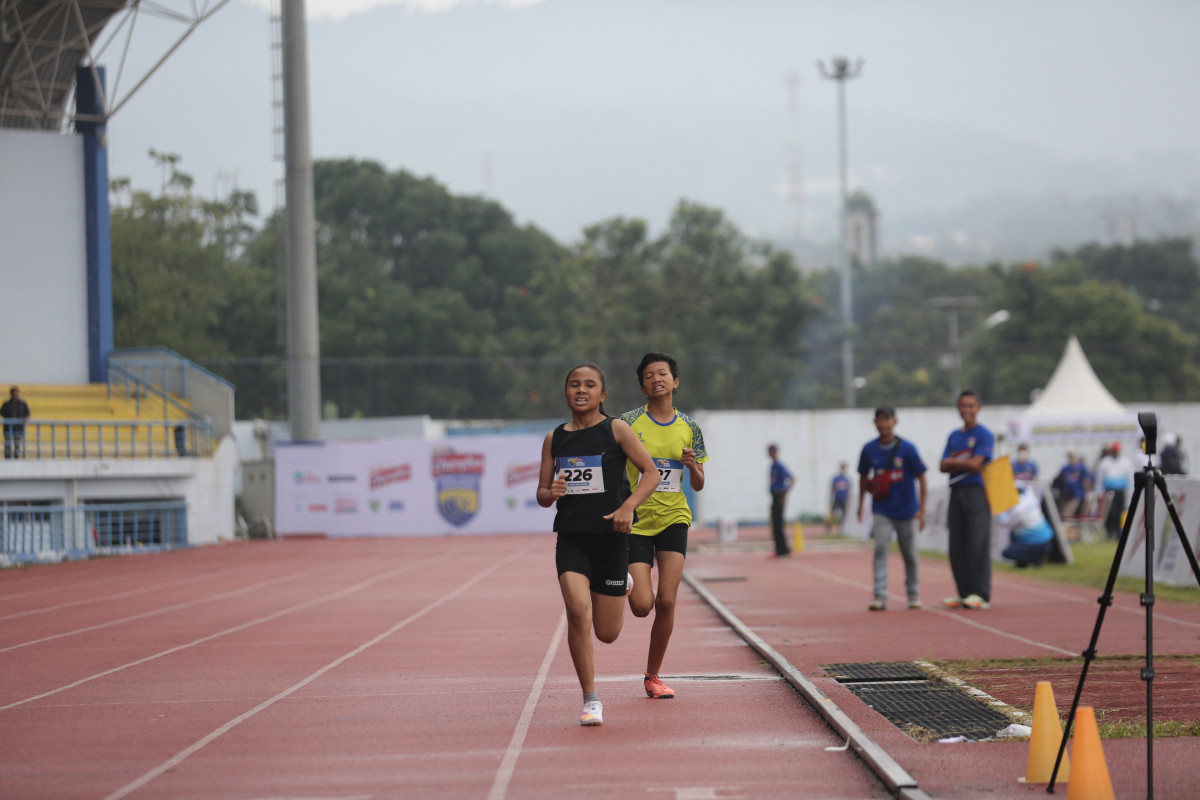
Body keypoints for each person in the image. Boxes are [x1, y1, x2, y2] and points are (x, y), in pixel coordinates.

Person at [537, 363, 657, 726]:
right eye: (574, 384)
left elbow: (650, 474)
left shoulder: (616, 429)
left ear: (602, 395)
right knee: (577, 610)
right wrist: (550, 491)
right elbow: (542, 494)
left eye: (590, 385)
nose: (581, 390)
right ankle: (591, 700)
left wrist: (628, 507)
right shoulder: (554, 439)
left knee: (607, 633)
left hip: (611, 541)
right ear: (566, 392)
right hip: (572, 539)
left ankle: (624, 584)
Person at [620, 352, 708, 700]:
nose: (657, 379)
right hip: (639, 521)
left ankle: (653, 676)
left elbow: (699, 483)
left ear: (675, 382)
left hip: (674, 518)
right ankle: (623, 579)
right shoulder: (626, 423)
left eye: (663, 374)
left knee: (667, 602)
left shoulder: (690, 427)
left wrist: (694, 467)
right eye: (650, 376)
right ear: (643, 387)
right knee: (643, 605)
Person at [856, 406, 927, 611]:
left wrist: (921, 509)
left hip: (907, 510)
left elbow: (922, 478)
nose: (884, 424)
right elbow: (862, 477)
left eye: (887, 420)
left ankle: (913, 593)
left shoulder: (908, 449)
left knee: (910, 554)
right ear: (874, 423)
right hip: (882, 510)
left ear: (895, 422)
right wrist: (860, 504)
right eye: (879, 420)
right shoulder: (868, 449)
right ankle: (879, 595)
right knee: (880, 550)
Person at [939, 389, 994, 610]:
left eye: (971, 406)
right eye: (963, 406)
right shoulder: (954, 436)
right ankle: (963, 593)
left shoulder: (984, 434)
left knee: (976, 544)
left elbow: (976, 464)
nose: (967, 410)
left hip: (977, 493)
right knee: (957, 545)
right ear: (957, 408)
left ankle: (980, 593)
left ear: (978, 408)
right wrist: (967, 463)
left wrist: (957, 463)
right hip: (956, 492)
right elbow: (942, 465)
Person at [998, 483, 1054, 568]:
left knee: (1006, 553)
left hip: (1036, 543)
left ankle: (1033, 558)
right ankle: (1023, 563)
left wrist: (998, 509)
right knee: (1015, 533)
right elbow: (1026, 486)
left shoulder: (1018, 509)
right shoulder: (1030, 496)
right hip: (1048, 538)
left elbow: (1003, 522)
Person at [1094, 441, 1133, 540]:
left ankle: (1119, 532)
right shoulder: (1104, 462)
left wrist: (1130, 492)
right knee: (1110, 512)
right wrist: (1099, 492)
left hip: (1121, 491)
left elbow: (1129, 479)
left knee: (1120, 512)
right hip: (1108, 491)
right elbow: (1100, 478)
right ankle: (1110, 532)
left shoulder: (1125, 462)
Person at [767, 443, 793, 558]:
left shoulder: (779, 466)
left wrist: (784, 495)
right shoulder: (772, 466)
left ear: (775, 452)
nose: (770, 453)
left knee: (779, 524)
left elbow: (792, 479)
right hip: (774, 496)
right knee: (775, 524)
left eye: (772, 451)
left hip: (779, 496)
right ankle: (779, 549)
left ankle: (783, 550)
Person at [1053, 451, 1091, 518]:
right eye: (1069, 457)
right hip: (1067, 496)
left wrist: (1088, 492)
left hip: (1077, 495)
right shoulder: (1065, 468)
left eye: (1072, 456)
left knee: (1067, 514)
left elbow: (1086, 481)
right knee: (1064, 514)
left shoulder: (1081, 467)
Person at [1, 386, 30, 459]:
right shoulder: (6, 404)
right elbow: (2, 412)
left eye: (16, 393)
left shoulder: (22, 404)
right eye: (13, 393)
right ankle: (7, 456)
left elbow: (27, 413)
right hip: (8, 427)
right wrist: (9, 412)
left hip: (18, 428)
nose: (15, 394)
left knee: (17, 442)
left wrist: (23, 417)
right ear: (10, 393)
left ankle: (16, 456)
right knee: (7, 442)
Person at [829, 463, 852, 533]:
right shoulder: (836, 478)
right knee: (832, 513)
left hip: (844, 499)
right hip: (837, 498)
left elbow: (849, 490)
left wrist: (850, 499)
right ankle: (829, 527)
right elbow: (832, 488)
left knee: (845, 514)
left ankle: (843, 528)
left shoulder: (847, 479)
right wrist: (830, 497)